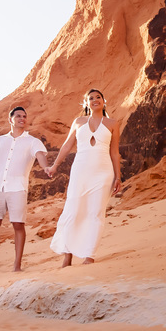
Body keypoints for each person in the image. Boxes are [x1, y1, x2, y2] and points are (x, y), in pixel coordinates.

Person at [47, 88, 122, 266]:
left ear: (104, 101)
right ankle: (68, 255)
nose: (95, 100)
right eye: (91, 98)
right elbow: (66, 146)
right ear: (86, 103)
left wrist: (118, 176)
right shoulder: (78, 122)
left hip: (103, 172)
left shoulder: (112, 123)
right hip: (80, 170)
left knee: (95, 212)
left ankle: (89, 254)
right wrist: (55, 165)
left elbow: (115, 152)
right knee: (73, 210)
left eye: (98, 97)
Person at [0, 105, 51, 273]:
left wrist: (46, 167)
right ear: (10, 119)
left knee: (18, 224)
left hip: (17, 188)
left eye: (24, 116)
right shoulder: (0, 140)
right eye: (18, 116)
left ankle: (17, 265)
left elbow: (40, 155)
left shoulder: (32, 141)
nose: (22, 118)